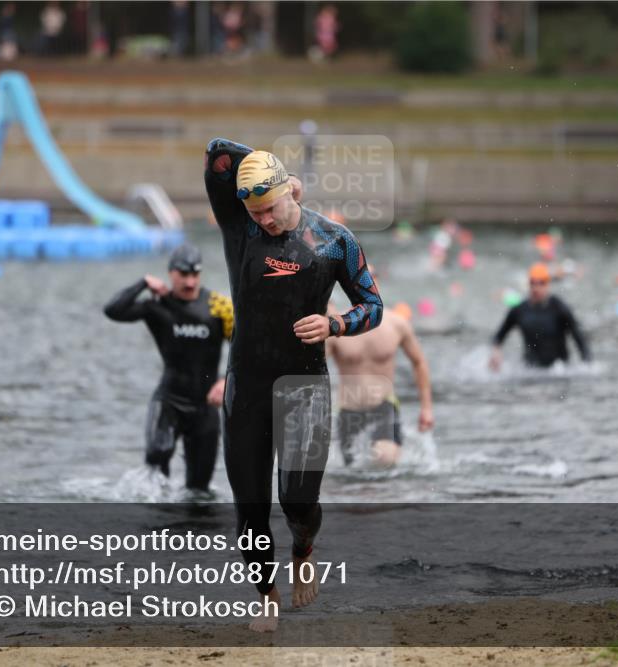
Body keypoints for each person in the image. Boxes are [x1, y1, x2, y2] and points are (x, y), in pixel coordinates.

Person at [204, 138, 383, 631]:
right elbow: (217, 155)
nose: (263, 219)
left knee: (298, 503)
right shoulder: (240, 230)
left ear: (290, 192)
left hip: (304, 385)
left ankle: (303, 549)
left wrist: (336, 325)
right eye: (255, 211)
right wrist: (262, 171)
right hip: (248, 384)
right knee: (250, 510)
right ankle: (265, 596)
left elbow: (374, 306)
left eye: (269, 208)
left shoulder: (334, 240)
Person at [103, 245, 234, 493]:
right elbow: (113, 310)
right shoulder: (157, 306)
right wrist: (142, 283)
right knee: (155, 462)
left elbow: (245, 349)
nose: (190, 281)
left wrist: (227, 380)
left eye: (195, 275)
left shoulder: (218, 307)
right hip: (169, 401)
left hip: (205, 405)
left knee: (199, 488)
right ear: (171, 273)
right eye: (183, 275)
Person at [326, 284, 433, 467]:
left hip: (384, 405)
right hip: (348, 411)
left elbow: (419, 362)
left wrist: (426, 408)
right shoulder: (337, 325)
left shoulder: (397, 324)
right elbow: (313, 369)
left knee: (385, 458)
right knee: (353, 473)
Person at [489, 263, 591, 371]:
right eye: (533, 283)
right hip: (530, 370)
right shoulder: (519, 310)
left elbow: (579, 338)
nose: (536, 288)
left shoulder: (560, 308)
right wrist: (496, 352)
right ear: (528, 284)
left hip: (558, 370)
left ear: (548, 284)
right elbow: (498, 337)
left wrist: (587, 364)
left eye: (541, 283)